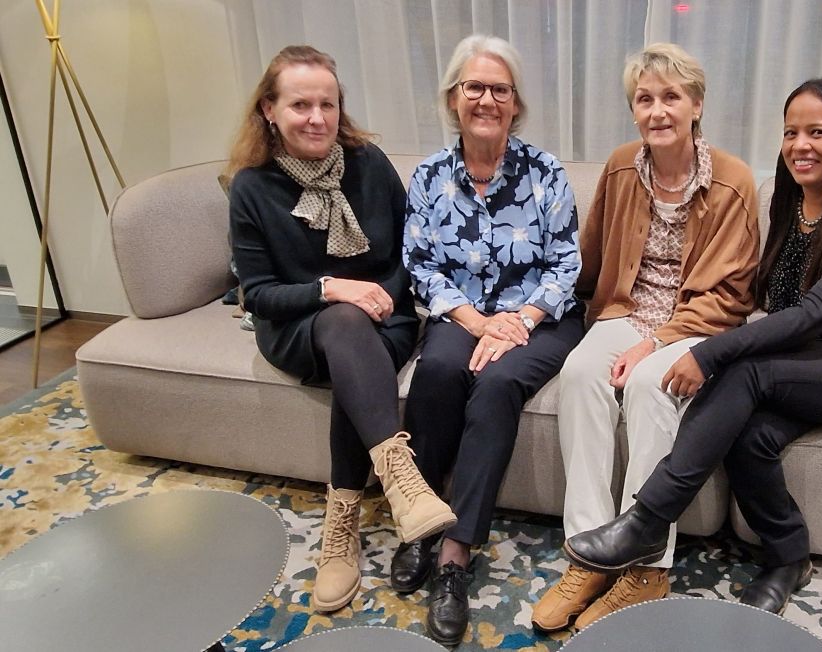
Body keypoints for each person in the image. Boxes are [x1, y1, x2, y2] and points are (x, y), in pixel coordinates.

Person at [563, 76, 822, 615]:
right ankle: (789, 557)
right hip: (818, 355)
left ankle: (647, 520)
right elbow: (777, 300)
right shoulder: (795, 198)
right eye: (791, 132)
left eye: (818, 132)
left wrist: (709, 351)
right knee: (749, 435)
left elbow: (811, 313)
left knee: (744, 372)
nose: (800, 145)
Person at [531, 43, 759, 631]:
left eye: (671, 97)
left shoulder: (733, 181)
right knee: (581, 373)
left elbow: (731, 295)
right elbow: (591, 262)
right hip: (625, 311)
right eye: (644, 99)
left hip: (695, 323)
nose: (658, 111)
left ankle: (646, 567)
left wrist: (654, 343)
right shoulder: (621, 167)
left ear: (696, 105)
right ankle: (589, 552)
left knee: (651, 386)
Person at [227, 45, 455, 615]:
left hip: (384, 317)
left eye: (327, 104)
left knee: (355, 347)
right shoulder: (251, 186)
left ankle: (342, 526)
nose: (317, 118)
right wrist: (331, 289)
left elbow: (409, 251)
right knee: (344, 322)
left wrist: (381, 298)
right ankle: (401, 478)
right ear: (269, 110)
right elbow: (259, 294)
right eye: (300, 105)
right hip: (296, 328)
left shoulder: (368, 164)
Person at [400, 34, 585, 646]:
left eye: (499, 90)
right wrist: (478, 323)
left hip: (542, 320)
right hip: (462, 316)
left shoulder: (545, 172)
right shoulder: (429, 175)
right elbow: (420, 264)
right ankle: (421, 520)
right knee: (438, 371)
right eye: (474, 87)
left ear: (516, 102)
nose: (486, 100)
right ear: (453, 98)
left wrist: (520, 321)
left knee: (498, 382)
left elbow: (566, 264)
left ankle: (455, 554)